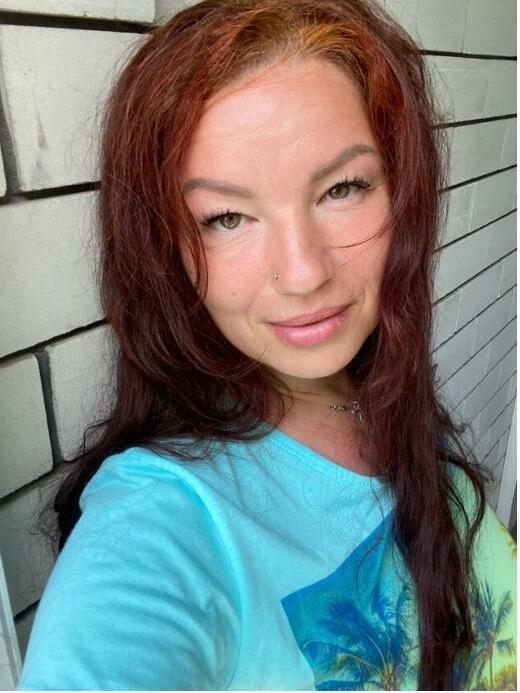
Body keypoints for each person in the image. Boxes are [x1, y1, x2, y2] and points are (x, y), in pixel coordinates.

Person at [17, 0, 516, 690]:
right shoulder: (161, 520)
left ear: (402, 192)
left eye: (343, 188)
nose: (304, 273)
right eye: (226, 217)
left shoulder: (381, 388)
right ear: (165, 250)